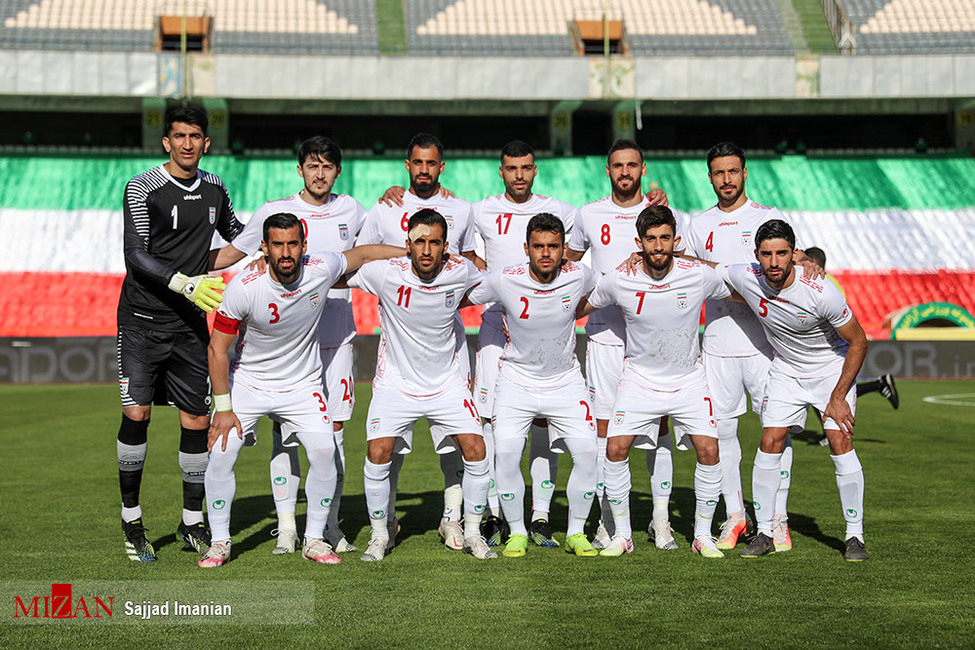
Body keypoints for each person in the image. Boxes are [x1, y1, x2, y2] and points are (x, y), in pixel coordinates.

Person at [201, 213, 402, 567]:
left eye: (292, 243)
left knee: (325, 453)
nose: (285, 252)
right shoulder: (243, 287)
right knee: (221, 454)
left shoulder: (320, 268)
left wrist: (410, 252)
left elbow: (365, 254)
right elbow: (218, 349)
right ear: (264, 247)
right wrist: (223, 408)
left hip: (303, 385)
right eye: (277, 244)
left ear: (304, 246)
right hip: (249, 382)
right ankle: (219, 543)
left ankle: (314, 539)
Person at [220, 136, 366, 555]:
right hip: (283, 343)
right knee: (283, 434)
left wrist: (398, 197)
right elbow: (236, 254)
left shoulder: (352, 209)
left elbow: (374, 246)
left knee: (333, 432)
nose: (320, 173)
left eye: (328, 166)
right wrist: (177, 266)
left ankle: (329, 525)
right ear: (299, 169)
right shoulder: (273, 213)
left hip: (335, 336)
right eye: (312, 165)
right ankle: (286, 527)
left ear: (337, 171)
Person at [115, 105, 244, 562]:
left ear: (206, 143)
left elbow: (236, 242)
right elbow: (137, 256)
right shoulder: (143, 187)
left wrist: (277, 233)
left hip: (190, 324)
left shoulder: (215, 188)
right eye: (179, 136)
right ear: (166, 142)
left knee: (195, 422)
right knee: (138, 415)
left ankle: (191, 523)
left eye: (196, 136)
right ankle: (132, 520)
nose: (187, 143)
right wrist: (185, 282)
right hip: (142, 322)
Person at [679, 141, 817, 551]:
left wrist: (809, 259)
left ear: (744, 173)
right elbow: (684, 270)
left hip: (766, 345)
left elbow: (795, 261)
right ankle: (736, 516)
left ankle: (776, 519)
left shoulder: (766, 217)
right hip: (718, 342)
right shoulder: (698, 225)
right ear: (710, 177)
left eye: (733, 172)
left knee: (775, 431)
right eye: (719, 173)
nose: (726, 180)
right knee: (722, 433)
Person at [715, 220, 869, 561]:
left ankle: (854, 536)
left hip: (830, 371)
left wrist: (839, 395)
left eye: (782, 253)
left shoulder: (822, 291)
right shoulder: (747, 276)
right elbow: (709, 268)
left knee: (839, 441)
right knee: (770, 439)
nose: (774, 262)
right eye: (766, 254)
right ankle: (766, 532)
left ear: (793, 253)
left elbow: (858, 341)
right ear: (756, 256)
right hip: (786, 370)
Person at [579, 205, 728, 558]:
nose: (658, 246)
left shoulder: (698, 274)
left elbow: (744, 283)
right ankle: (622, 535)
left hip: (689, 379)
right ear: (639, 242)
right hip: (639, 381)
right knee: (614, 449)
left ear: (676, 241)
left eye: (665, 238)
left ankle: (702, 536)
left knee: (710, 451)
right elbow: (580, 306)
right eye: (651, 239)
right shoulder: (619, 278)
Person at [348, 209, 495, 562]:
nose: (426, 250)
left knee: (475, 448)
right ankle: (382, 534)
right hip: (395, 383)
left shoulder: (462, 271)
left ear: (446, 247)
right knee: (378, 453)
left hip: (447, 382)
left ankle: (472, 532)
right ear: (407, 245)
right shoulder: (383, 274)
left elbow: (491, 286)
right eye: (419, 242)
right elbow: (332, 273)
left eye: (434, 242)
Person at [358, 133, 481, 551]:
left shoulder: (462, 209)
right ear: (407, 165)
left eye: (431, 163)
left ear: (440, 167)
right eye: (417, 162)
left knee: (455, 442)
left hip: (448, 349)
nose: (424, 169)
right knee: (390, 444)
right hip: (399, 347)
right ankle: (387, 519)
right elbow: (362, 254)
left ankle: (453, 519)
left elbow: (472, 266)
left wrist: (446, 297)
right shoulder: (386, 206)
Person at [565, 139, 678, 552]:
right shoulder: (588, 214)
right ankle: (608, 521)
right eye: (618, 166)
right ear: (608, 170)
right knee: (605, 429)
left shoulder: (662, 213)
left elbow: (679, 261)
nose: (625, 172)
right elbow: (569, 266)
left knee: (659, 426)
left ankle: (661, 520)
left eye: (632, 165)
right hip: (605, 337)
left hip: (653, 339)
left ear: (643, 168)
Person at [468, 213, 600, 558]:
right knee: (507, 454)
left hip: (566, 381)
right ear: (526, 248)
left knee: (588, 454)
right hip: (516, 381)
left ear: (563, 250)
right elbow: (464, 295)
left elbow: (612, 288)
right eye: (539, 246)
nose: (546, 254)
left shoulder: (580, 274)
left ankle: (576, 533)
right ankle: (516, 533)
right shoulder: (504, 279)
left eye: (553, 247)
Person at [470, 140, 580, 548]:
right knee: (491, 422)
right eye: (512, 168)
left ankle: (540, 516)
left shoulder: (563, 212)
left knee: (542, 421)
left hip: (542, 330)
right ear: (502, 171)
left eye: (527, 167)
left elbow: (581, 259)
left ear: (536, 171)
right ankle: (498, 514)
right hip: (497, 326)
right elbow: (465, 254)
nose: (519, 174)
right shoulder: (479, 210)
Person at [801, 246, 898, 443]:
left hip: (831, 350)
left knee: (829, 391)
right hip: (822, 349)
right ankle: (878, 384)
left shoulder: (826, 287)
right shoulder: (814, 284)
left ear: (817, 266)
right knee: (820, 391)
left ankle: (833, 434)